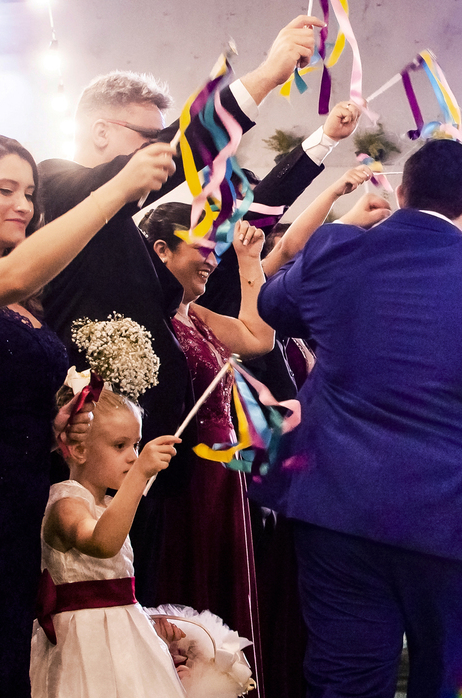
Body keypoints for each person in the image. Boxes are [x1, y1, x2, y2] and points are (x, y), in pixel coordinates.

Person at [37, 16, 353, 606]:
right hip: (93, 462)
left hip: (148, 465)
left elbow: (252, 225)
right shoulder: (59, 184)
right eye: (146, 137)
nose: (158, 156)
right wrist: (263, 77)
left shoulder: (121, 230)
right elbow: (182, 149)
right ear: (102, 134)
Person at [257, 138, 462, 698]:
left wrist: (348, 233)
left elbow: (273, 306)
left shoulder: (338, 249)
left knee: (344, 682)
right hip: (455, 518)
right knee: (446, 683)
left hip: (338, 508)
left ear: (402, 192)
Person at [0, 132, 170, 695]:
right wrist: (119, 188)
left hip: (12, 510)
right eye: (5, 189)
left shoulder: (16, 303)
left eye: (29, 194)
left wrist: (54, 422)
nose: (23, 206)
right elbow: (16, 274)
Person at [139, 167, 379, 688]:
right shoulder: (151, 320)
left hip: (226, 479)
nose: (210, 257)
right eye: (201, 248)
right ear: (159, 252)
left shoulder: (199, 317)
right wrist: (339, 195)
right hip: (186, 475)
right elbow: (289, 245)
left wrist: (249, 263)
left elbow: (258, 338)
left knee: (229, 587)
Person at [31, 388, 185, 697]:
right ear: (78, 450)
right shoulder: (67, 502)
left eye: (136, 445)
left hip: (124, 642)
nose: (133, 455)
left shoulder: (107, 504)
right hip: (84, 648)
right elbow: (102, 543)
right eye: (120, 446)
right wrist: (140, 474)